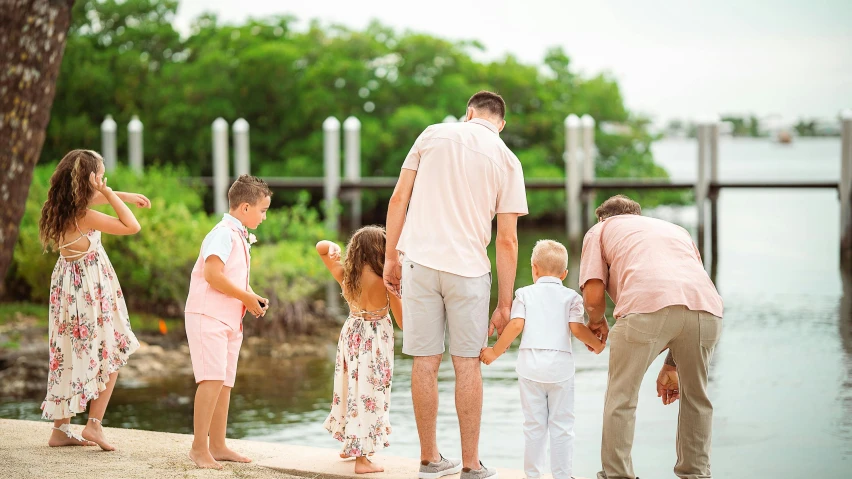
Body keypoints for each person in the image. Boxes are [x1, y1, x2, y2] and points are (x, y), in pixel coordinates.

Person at [383, 90, 528, 479]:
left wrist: (390, 258)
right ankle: (470, 465)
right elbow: (507, 239)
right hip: (468, 270)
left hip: (419, 261)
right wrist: (505, 304)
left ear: (468, 113)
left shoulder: (432, 134)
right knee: (468, 366)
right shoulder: (508, 160)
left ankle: (429, 459)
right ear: (501, 123)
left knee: (425, 362)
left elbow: (399, 199)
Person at [579, 195, 724, 479]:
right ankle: (696, 474)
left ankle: (617, 475)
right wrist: (672, 364)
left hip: (644, 309)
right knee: (697, 398)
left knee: (622, 397)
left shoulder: (601, 230)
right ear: (638, 214)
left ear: (603, 217)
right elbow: (682, 294)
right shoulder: (675, 230)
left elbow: (593, 294)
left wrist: (596, 323)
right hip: (707, 310)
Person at [39, 149, 149, 450]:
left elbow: (93, 198)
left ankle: (60, 429)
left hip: (67, 288)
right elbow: (131, 226)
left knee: (67, 355)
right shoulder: (84, 216)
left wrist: (123, 195)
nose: (105, 181)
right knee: (113, 348)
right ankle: (94, 426)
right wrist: (112, 195)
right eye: (101, 176)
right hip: (89, 289)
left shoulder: (61, 206)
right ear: (89, 180)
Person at [480, 239, 605, 479]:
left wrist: (495, 352)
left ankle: (533, 475)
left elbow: (516, 325)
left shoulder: (524, 294)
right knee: (562, 426)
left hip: (530, 368)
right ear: (565, 273)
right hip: (560, 370)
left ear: (534, 268)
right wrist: (597, 345)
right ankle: (562, 474)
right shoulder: (571, 297)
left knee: (534, 426)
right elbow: (577, 329)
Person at [184, 175, 272, 469]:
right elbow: (212, 275)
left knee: (224, 382)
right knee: (211, 379)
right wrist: (245, 298)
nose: (264, 216)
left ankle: (218, 444)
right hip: (208, 315)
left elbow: (229, 277)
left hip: (229, 320)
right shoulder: (222, 233)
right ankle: (199, 448)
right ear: (245, 207)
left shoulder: (238, 234)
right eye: (262, 210)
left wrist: (250, 297)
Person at [317, 226, 404, 474]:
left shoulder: (347, 276)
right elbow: (403, 322)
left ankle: (350, 444)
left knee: (352, 389)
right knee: (370, 394)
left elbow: (320, 248)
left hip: (351, 335)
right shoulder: (386, 283)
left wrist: (331, 246)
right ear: (379, 252)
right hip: (374, 342)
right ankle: (362, 460)